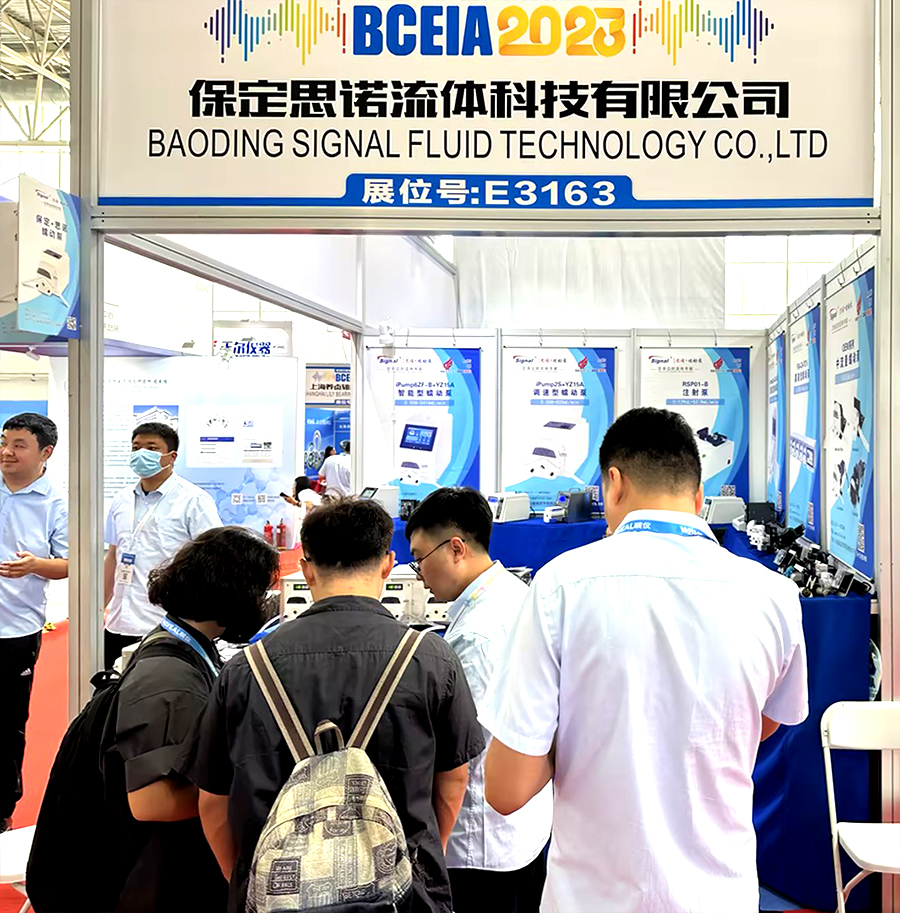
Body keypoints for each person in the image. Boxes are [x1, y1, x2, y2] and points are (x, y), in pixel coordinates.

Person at [482, 407, 809, 913]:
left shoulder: (559, 586)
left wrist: (587, 737)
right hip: (720, 896)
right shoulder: (775, 595)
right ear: (698, 497)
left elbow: (507, 789)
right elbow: (763, 722)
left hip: (590, 899)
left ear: (614, 484)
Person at [186, 498, 485, 913]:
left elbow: (213, 801)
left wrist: (246, 881)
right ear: (387, 564)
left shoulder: (246, 669)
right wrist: (421, 863)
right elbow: (453, 782)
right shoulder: (430, 659)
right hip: (402, 897)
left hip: (276, 898)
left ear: (306, 569)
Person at [108, 526, 279, 912]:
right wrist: (249, 793)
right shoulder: (170, 678)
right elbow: (150, 801)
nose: (264, 603)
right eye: (260, 591)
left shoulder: (186, 648)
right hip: (165, 878)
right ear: (235, 592)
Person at [406, 488, 552, 913]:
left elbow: (461, 748)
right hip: (522, 825)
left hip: (480, 841)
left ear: (456, 548)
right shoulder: (516, 594)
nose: (419, 574)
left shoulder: (476, 634)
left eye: (419, 558)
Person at [103, 422, 221, 669]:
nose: (141, 454)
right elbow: (113, 555)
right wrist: (98, 607)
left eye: (151, 448)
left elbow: (212, 560)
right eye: (136, 448)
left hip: (167, 626)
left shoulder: (194, 500)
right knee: (112, 688)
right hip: (118, 623)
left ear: (171, 456)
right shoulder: (121, 500)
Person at [0, 413, 68, 833]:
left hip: (16, 629)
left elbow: (71, 563)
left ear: (45, 452)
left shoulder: (56, 502)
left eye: (18, 445)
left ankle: (1, 808)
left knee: (7, 724)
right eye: (4, 442)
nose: (7, 452)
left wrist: (36, 565)